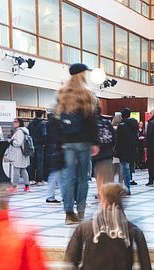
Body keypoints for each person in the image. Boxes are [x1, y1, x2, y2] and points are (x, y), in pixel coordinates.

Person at [55, 63, 100, 225]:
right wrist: (95, 142)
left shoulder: (62, 94)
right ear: (82, 74)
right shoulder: (87, 94)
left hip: (67, 142)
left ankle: (68, 214)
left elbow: (57, 121)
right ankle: (80, 212)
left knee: (68, 178)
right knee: (82, 177)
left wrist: (60, 142)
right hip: (83, 141)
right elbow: (93, 121)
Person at [114, 108, 139, 194]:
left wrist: (116, 151)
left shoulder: (122, 125)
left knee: (123, 169)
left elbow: (118, 139)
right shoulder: (134, 124)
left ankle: (124, 188)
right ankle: (127, 188)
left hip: (123, 150)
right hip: (132, 149)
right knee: (127, 168)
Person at [93, 114, 117, 198]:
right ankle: (108, 193)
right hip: (108, 153)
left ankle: (100, 193)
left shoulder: (92, 123)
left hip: (96, 153)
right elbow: (114, 138)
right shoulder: (107, 123)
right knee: (108, 175)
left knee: (98, 175)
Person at [7, 118, 31, 192]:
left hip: (18, 154)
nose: (14, 123)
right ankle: (27, 186)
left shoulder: (19, 131)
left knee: (16, 170)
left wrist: (11, 141)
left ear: (20, 123)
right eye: (13, 121)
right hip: (23, 153)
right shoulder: (24, 131)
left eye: (16, 121)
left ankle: (14, 187)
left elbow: (18, 143)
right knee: (23, 169)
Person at [44, 113, 64, 204]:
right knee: (57, 175)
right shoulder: (59, 125)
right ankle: (51, 196)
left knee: (57, 175)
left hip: (50, 151)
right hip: (58, 152)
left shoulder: (47, 125)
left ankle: (63, 195)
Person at [27, 110, 47, 185]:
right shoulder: (42, 123)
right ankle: (39, 180)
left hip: (31, 144)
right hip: (39, 145)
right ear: (42, 115)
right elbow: (44, 134)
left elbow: (28, 133)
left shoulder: (31, 123)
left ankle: (31, 179)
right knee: (39, 162)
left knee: (32, 162)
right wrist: (44, 143)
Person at [111, 112, 123, 184]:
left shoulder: (111, 128)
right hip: (120, 150)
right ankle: (120, 185)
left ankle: (111, 185)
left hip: (112, 151)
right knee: (120, 169)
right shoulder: (122, 128)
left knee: (112, 170)